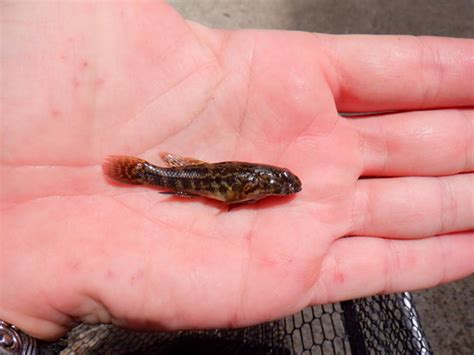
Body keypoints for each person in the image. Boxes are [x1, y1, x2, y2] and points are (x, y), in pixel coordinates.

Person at [1, 1, 472, 341]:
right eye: (284, 183)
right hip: (185, 178)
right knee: (170, 178)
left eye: (285, 184)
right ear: (265, 185)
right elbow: (231, 188)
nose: (287, 187)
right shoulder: (253, 185)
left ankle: (148, 175)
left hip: (187, 179)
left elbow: (232, 187)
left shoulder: (257, 184)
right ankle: (143, 174)